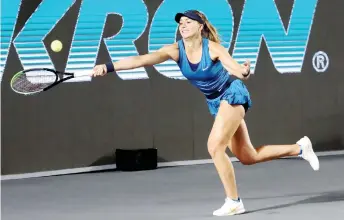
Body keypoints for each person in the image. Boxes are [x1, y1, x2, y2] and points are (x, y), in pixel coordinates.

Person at [91, 10, 320, 216]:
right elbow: (140, 60)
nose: (183, 25)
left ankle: (234, 201)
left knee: (214, 146)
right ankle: (300, 148)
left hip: (231, 95)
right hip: (215, 103)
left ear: (200, 26)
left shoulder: (213, 48)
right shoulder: (174, 51)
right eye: (181, 22)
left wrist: (244, 71)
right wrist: (108, 67)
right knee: (248, 157)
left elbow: (236, 69)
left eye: (189, 22)